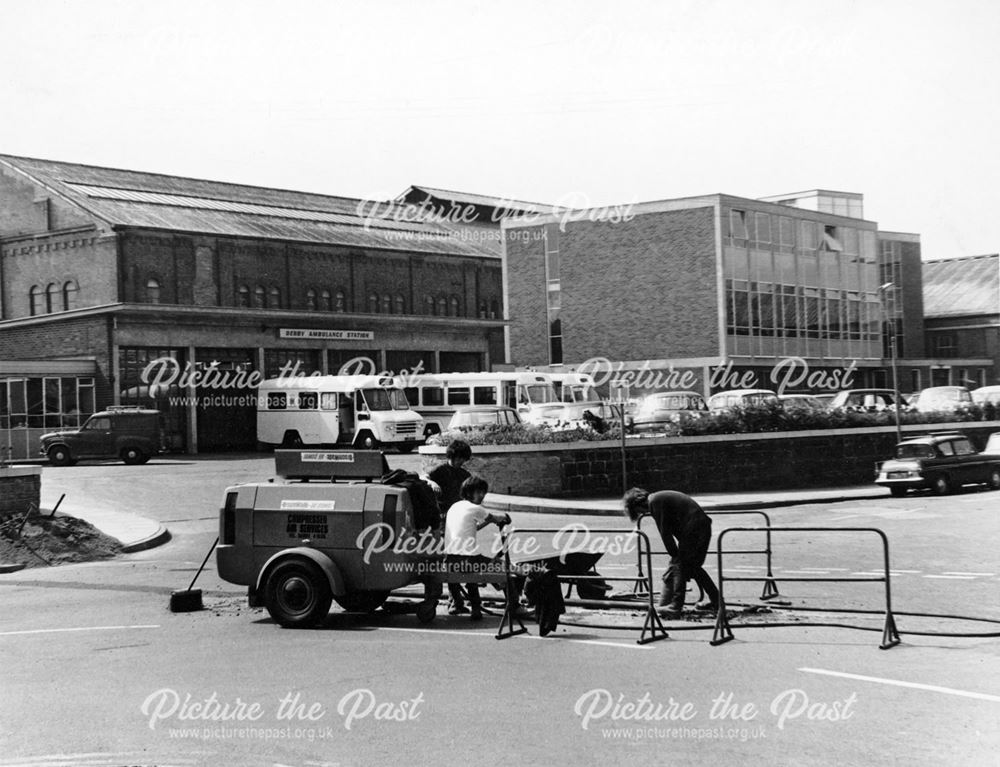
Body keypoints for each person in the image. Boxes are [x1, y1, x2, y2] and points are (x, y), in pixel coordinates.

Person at [622, 487, 719, 617]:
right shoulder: (658, 498)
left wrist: (675, 556)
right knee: (694, 568)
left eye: (639, 512)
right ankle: (717, 601)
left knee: (680, 566)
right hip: (700, 526)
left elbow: (665, 533)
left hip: (695, 527)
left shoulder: (654, 502)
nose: (643, 513)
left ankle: (675, 606)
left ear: (638, 504)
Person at [443, 474, 511, 621]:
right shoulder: (475, 508)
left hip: (450, 560)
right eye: (479, 492)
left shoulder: (454, 506)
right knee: (502, 567)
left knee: (468, 571)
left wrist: (490, 521)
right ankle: (514, 605)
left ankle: (458, 604)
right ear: (469, 492)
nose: (482, 496)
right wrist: (503, 517)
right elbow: (495, 517)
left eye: (483, 493)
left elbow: (475, 527)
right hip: (469, 560)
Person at [424, 439, 473, 614]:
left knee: (458, 558)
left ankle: (455, 600)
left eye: (463, 459)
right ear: (452, 455)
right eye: (459, 458)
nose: (461, 462)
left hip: (459, 518)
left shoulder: (465, 475)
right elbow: (424, 478)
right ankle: (454, 600)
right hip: (443, 518)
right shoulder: (440, 470)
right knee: (448, 558)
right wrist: (433, 483)